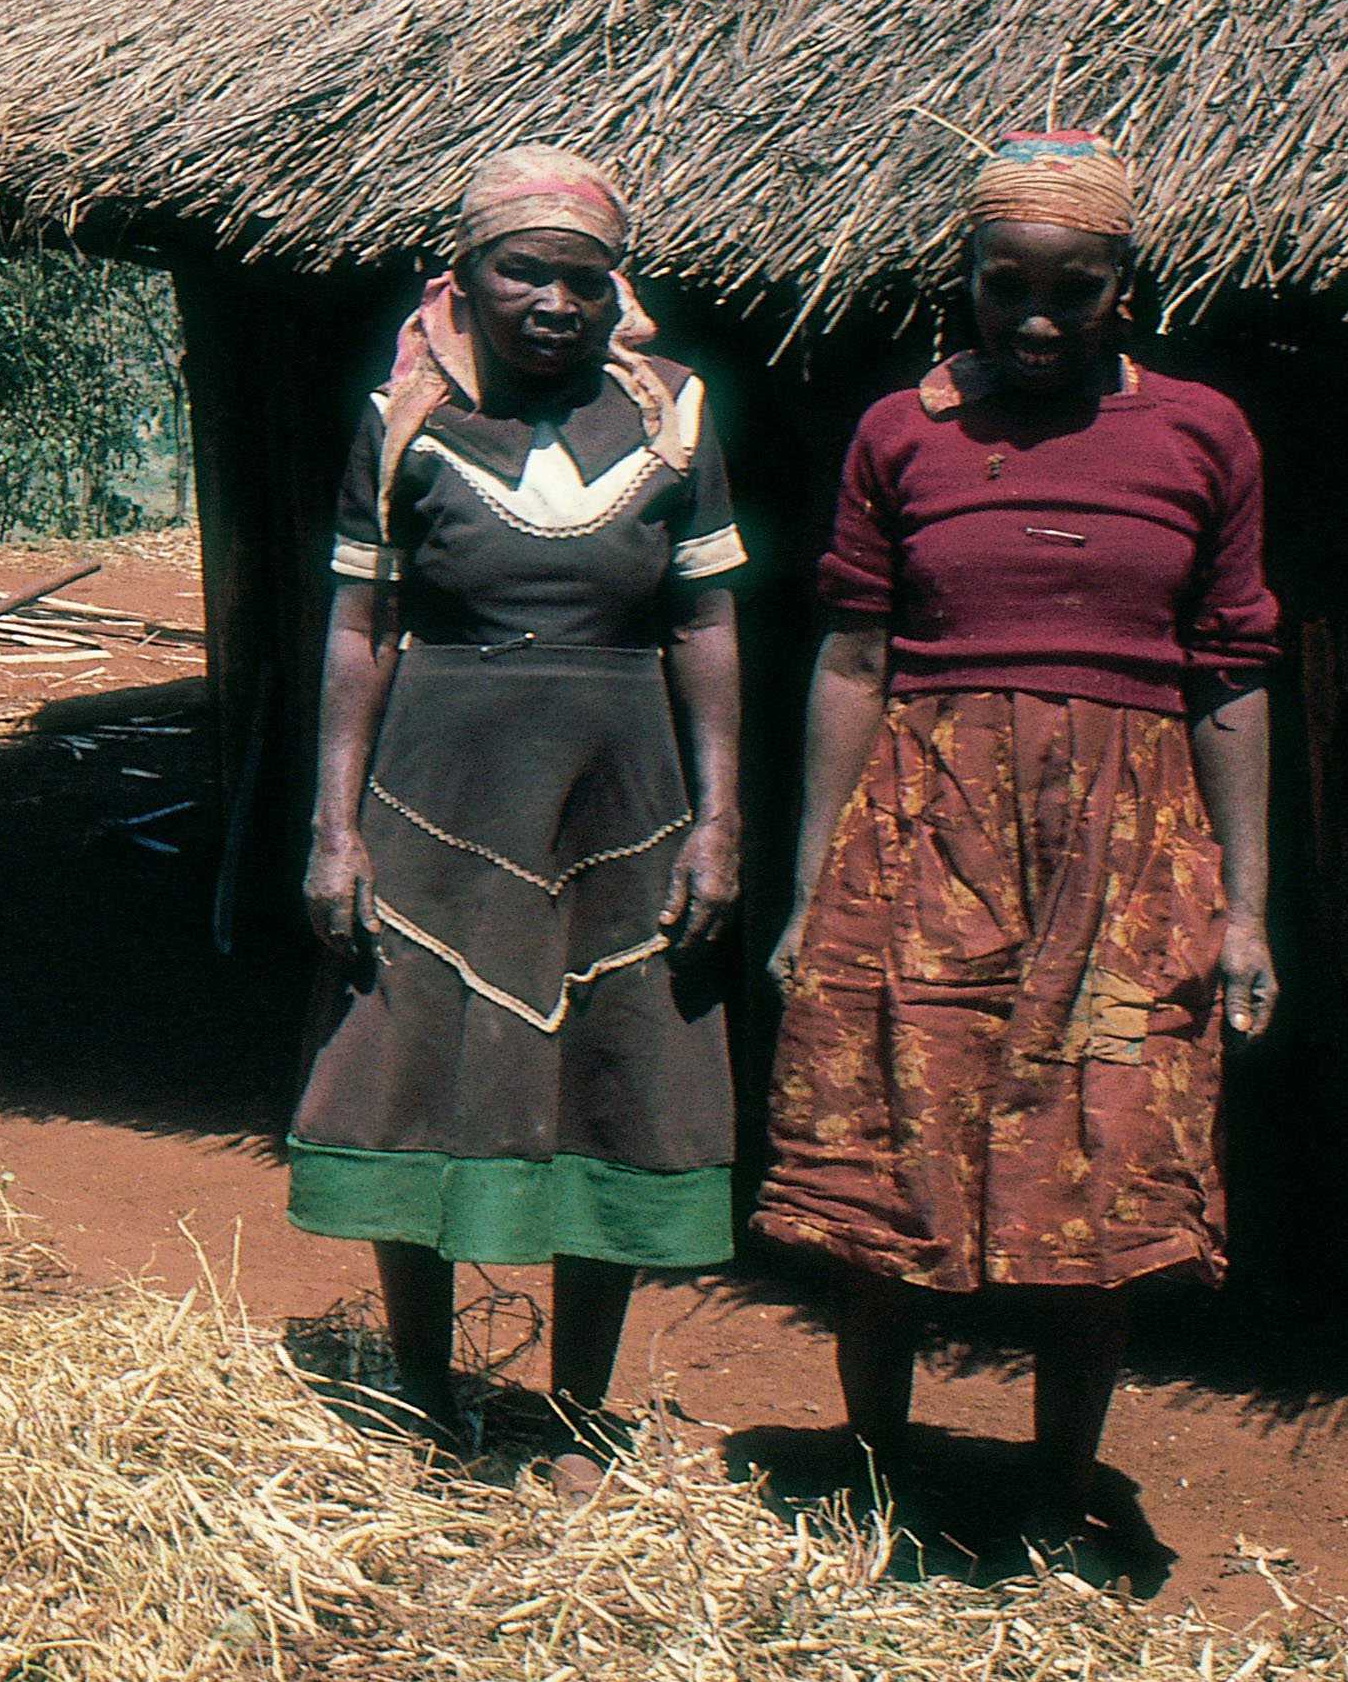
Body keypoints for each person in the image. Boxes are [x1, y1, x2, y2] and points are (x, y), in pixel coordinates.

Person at [757, 132, 1278, 1559]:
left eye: (1077, 288)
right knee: (888, 1160)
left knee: (1103, 1165)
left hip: (1132, 845)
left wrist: (1245, 908)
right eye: (1007, 287)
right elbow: (853, 659)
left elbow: (1231, 670)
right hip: (925, 838)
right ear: (965, 283)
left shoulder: (1200, 433)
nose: (1039, 318)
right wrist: (811, 885)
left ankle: (1057, 1492)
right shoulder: (899, 433)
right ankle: (874, 1467)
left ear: (1128, 284)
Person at [292, 144, 749, 1457]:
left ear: (619, 290)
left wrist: (719, 815)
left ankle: (580, 1404)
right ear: (465, 274)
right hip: (440, 786)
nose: (556, 301)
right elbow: (360, 627)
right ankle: (424, 1392)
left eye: (586, 279)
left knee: (615, 1065)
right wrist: (336, 825)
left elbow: (706, 623)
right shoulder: (404, 421)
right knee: (418, 1059)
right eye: (524, 271)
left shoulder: (672, 416)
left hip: (625, 787)